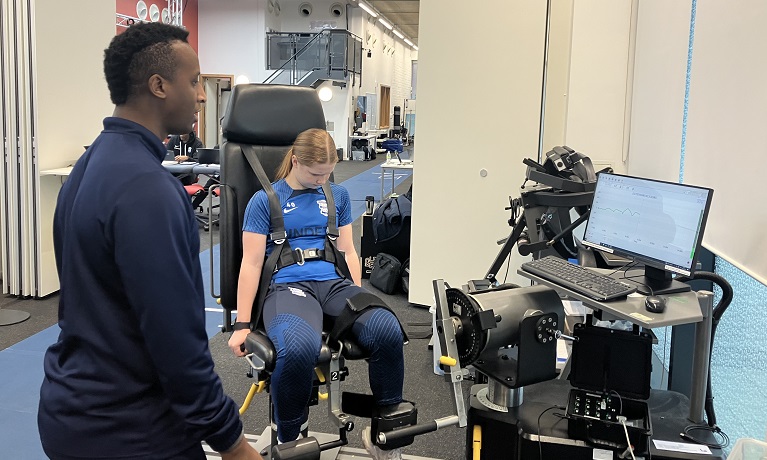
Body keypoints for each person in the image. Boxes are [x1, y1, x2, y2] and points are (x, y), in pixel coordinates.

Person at [38, 22, 261, 460]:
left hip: (72, 413)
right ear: (159, 85)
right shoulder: (148, 190)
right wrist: (232, 443)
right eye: (194, 81)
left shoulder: (88, 167)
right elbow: (177, 343)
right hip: (131, 433)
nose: (201, 94)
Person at [227, 128, 406, 460]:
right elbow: (251, 263)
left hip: (334, 284)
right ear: (295, 161)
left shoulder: (336, 194)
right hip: (287, 287)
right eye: (314, 173)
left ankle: (383, 433)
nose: (321, 179)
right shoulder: (266, 200)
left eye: (326, 173)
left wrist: (357, 293)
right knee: (298, 349)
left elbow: (349, 251)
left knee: (387, 328)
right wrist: (242, 323)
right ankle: (291, 439)